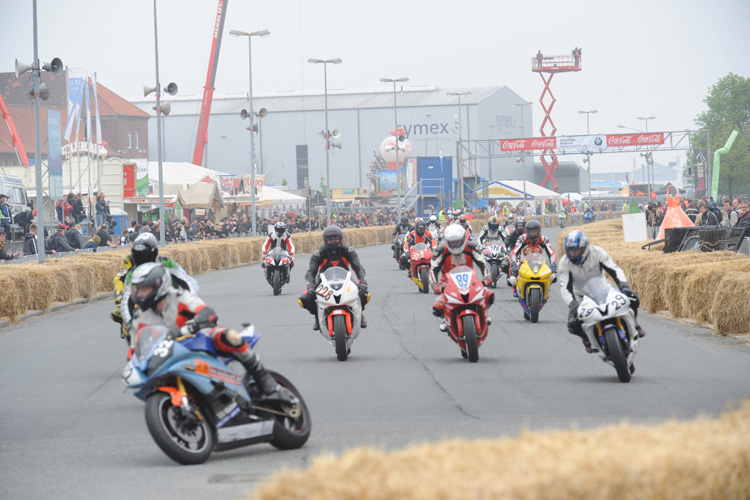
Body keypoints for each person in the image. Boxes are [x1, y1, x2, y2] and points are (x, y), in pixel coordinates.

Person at [129, 262, 282, 398]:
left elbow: (206, 311)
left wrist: (192, 325)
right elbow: (136, 346)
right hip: (169, 350)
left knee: (228, 336)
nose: (139, 294)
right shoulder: (139, 316)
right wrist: (133, 361)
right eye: (137, 289)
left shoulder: (179, 296)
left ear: (159, 285)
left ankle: (260, 374)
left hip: (196, 337)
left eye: (144, 289)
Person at [559, 230, 646, 353]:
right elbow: (564, 287)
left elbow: (614, 269)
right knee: (573, 324)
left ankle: (635, 323)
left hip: (604, 289)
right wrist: (572, 303)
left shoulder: (597, 252)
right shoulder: (564, 263)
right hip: (581, 296)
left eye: (576, 250)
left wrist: (624, 286)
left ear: (584, 247)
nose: (573, 254)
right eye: (570, 250)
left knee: (633, 298)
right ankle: (586, 337)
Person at [113, 232, 200, 343]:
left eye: (146, 255)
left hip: (170, 302)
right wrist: (131, 326)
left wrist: (192, 304)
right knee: (120, 312)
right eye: (139, 256)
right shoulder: (131, 270)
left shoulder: (167, 263)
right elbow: (126, 298)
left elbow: (188, 282)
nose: (143, 258)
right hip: (145, 306)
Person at [298, 225, 369, 331]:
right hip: (323, 280)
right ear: (325, 241)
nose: (333, 242)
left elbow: (358, 268)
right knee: (304, 299)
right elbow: (311, 272)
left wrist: (363, 282)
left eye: (336, 239)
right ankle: (317, 316)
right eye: (330, 240)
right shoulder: (319, 253)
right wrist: (310, 288)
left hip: (346, 279)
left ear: (341, 239)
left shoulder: (348, 251)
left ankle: (359, 312)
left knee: (364, 293)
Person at [430, 224, 493, 332]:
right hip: (447, 284)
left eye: (458, 242)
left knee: (488, 295)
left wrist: (487, 277)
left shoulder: (471, 247)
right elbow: (433, 269)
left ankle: (484, 313)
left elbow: (483, 263)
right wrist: (435, 285)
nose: (455, 245)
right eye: (452, 242)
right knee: (437, 307)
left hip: (470, 281)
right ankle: (445, 319)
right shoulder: (441, 250)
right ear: (447, 241)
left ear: (463, 239)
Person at [508, 220, 557, 309]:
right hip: (524, 261)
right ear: (527, 231)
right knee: (512, 278)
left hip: (539, 261)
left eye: (534, 231)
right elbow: (514, 252)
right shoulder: (522, 238)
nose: (533, 234)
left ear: (539, 231)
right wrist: (514, 264)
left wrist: (553, 264)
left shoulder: (544, 239)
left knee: (553, 276)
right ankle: (515, 288)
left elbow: (552, 253)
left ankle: (546, 290)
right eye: (530, 231)